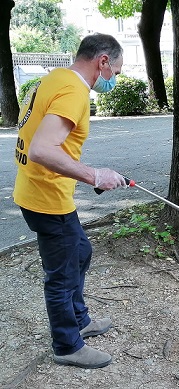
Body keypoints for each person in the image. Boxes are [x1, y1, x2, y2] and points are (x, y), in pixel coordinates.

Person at [13, 33, 127, 369]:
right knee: (61, 275)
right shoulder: (74, 91)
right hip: (46, 198)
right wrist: (95, 175)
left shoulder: (55, 78)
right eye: (116, 72)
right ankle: (67, 345)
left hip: (37, 190)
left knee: (80, 251)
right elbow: (42, 149)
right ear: (102, 61)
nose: (113, 80)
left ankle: (80, 320)